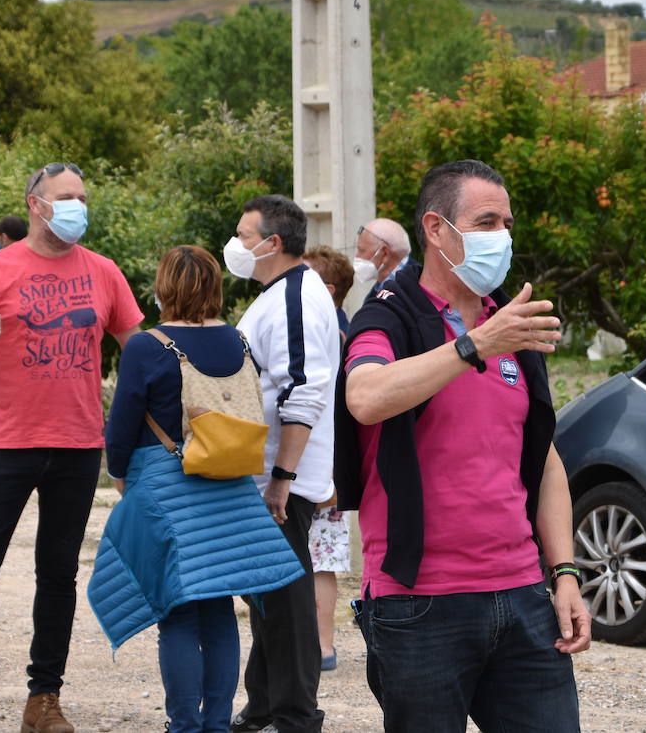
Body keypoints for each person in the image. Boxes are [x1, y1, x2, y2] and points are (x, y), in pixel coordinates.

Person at [338, 159, 590, 732]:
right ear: (436, 229)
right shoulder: (389, 316)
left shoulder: (509, 323)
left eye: (506, 222)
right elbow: (365, 396)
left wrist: (566, 572)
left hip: (523, 593)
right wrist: (471, 346)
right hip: (420, 604)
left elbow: (543, 458)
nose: (502, 236)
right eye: (486, 221)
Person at [0, 162, 144, 733]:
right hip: (8, 443)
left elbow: (137, 349)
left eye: (83, 197)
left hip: (79, 442)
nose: (78, 206)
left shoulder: (104, 272)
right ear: (35, 204)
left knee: (58, 574)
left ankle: (44, 701)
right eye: (67, 197)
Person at [88, 246, 305, 733]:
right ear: (214, 286)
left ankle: (184, 724)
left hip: (168, 485)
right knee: (221, 612)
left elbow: (121, 425)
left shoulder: (148, 346)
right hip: (229, 491)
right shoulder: (239, 342)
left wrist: (121, 475)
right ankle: (217, 724)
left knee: (178, 614)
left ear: (165, 287)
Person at [228, 196, 340, 733]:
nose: (236, 246)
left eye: (243, 235)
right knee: (268, 595)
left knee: (288, 599)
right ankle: (266, 705)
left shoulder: (296, 297)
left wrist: (282, 478)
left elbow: (303, 389)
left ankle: (297, 715)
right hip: (270, 473)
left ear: (272, 243)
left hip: (282, 478)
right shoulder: (278, 295)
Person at [301, 245, 357, 672]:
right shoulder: (350, 331)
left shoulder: (327, 334)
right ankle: (324, 645)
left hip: (321, 463)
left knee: (314, 561)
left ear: (328, 289)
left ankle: (314, 644)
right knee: (324, 562)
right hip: (334, 464)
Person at [351, 218, 411, 302]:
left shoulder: (416, 289)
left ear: (384, 253)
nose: (357, 256)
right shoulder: (381, 288)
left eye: (361, 250)